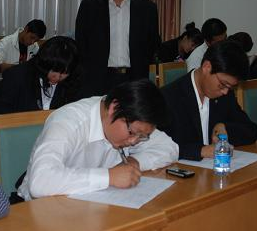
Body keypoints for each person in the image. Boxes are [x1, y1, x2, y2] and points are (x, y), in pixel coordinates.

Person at [18, 79, 178, 200]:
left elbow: (169, 148)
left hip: (92, 206)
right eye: (132, 133)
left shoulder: (132, 120)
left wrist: (134, 162)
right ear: (113, 108)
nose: (133, 141)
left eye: (142, 136)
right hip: (42, 210)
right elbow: (40, 182)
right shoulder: (68, 122)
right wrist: (109, 176)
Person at [75, 0, 160, 97]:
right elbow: (81, 44)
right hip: (96, 79)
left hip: (134, 78)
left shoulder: (147, 8)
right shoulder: (89, 6)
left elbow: (152, 44)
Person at [160, 40, 257, 161]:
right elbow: (156, 147)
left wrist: (225, 127)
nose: (225, 91)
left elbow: (251, 130)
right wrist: (201, 151)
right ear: (207, 67)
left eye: (230, 87)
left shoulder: (225, 95)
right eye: (223, 84)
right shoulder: (168, 97)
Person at [0, 36, 81, 114]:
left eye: (63, 74)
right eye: (53, 71)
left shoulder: (72, 81)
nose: (56, 77)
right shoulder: (17, 76)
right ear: (44, 63)